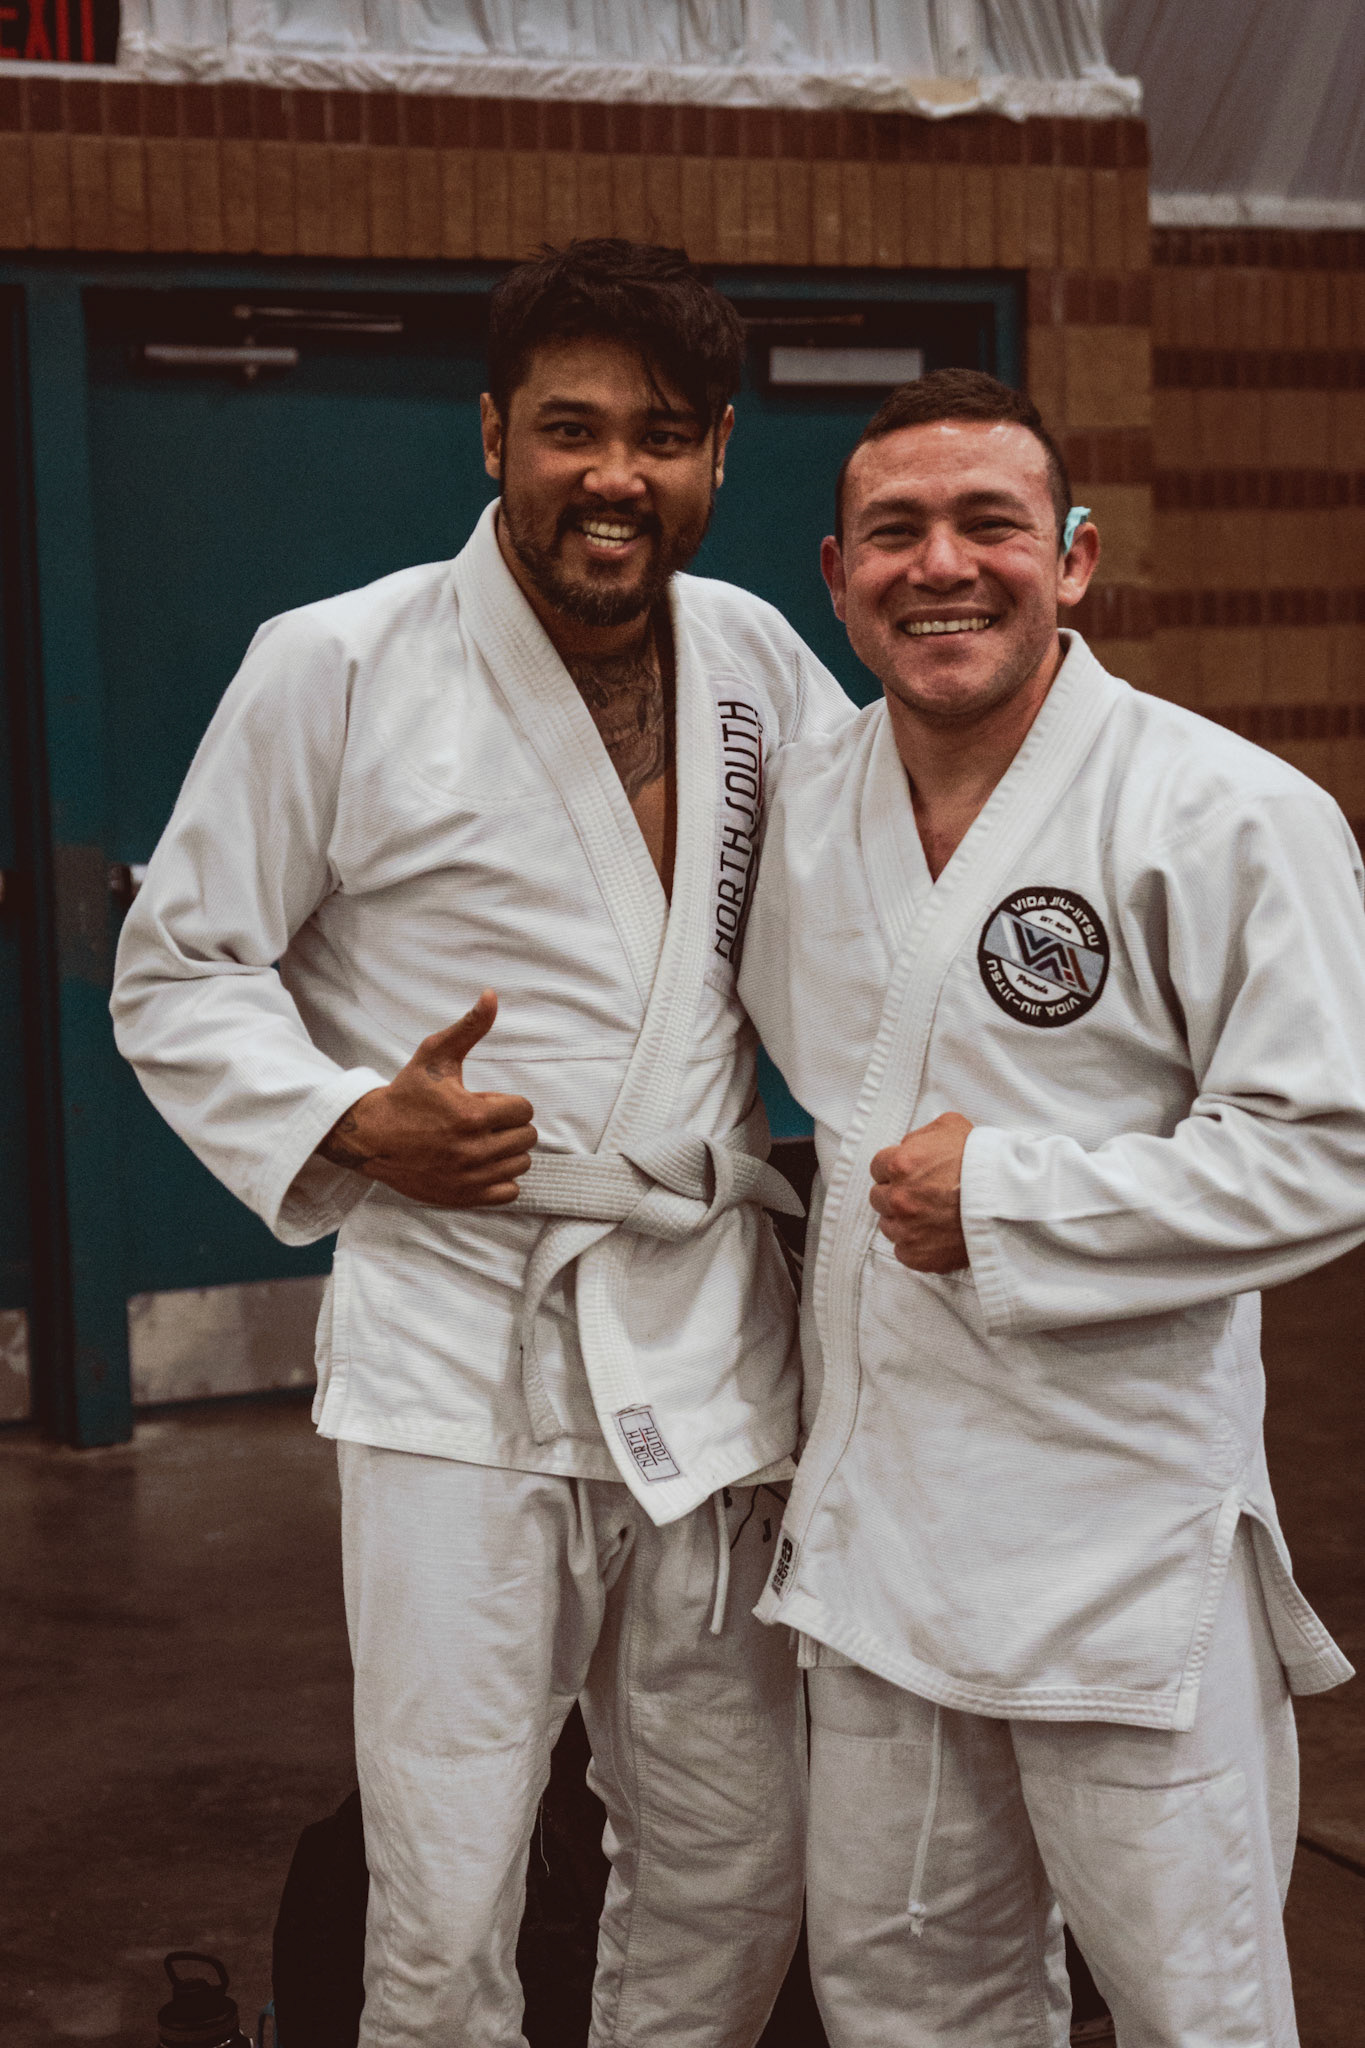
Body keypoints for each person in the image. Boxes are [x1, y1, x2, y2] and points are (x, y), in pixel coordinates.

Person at [111, 239, 854, 2048]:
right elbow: (178, 968)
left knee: (734, 1851)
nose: (615, 475)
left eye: (659, 435)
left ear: (717, 452)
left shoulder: (758, 659)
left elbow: (859, 930)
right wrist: (353, 1117)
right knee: (446, 1871)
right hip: (462, 1331)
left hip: (702, 1325)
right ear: (491, 435)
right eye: (570, 428)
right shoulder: (337, 663)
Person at [739, 367, 1362, 2048]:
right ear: (837, 577)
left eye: (988, 524)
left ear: (1072, 558)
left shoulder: (1227, 811)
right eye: (894, 532)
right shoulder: (800, 808)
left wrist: (1012, 1200)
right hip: (878, 1532)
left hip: (1118, 1537)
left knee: (1191, 2006)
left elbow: (1330, 1147)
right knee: (901, 2001)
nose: (940, 564)